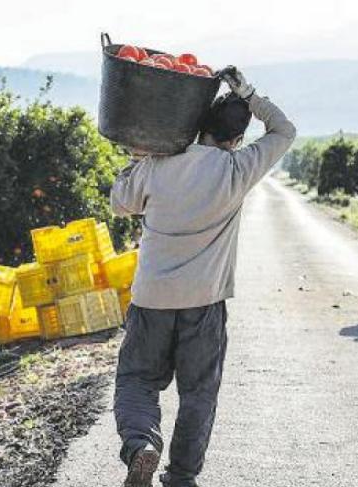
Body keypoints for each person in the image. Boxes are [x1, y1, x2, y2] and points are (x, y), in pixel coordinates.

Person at [110, 67, 296, 487]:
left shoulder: (161, 162)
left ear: (198, 128)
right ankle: (181, 477)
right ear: (236, 140)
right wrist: (248, 93)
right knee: (198, 393)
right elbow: (284, 130)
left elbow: (119, 202)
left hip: (152, 299)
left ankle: (141, 445)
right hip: (204, 304)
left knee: (138, 379)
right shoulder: (238, 169)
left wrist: (138, 159)